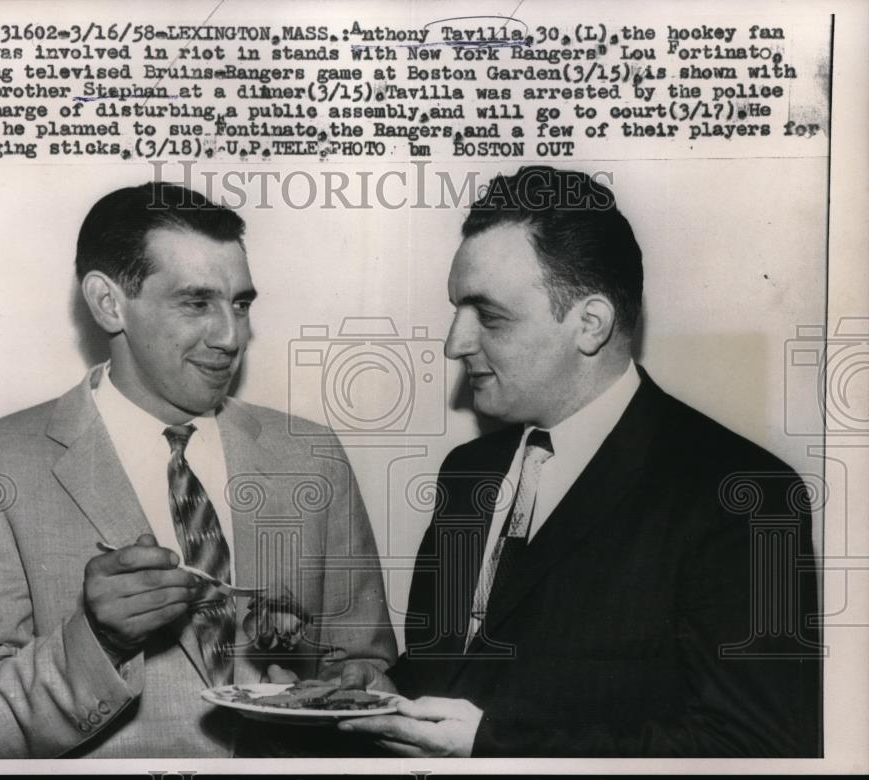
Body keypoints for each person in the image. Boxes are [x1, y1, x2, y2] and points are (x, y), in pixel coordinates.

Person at [342, 166, 821, 757]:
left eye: (488, 315)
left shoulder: (743, 493)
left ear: (589, 325)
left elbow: (760, 748)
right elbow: (458, 674)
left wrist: (495, 748)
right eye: (457, 310)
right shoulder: (468, 474)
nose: (454, 343)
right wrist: (385, 690)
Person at [0, 182, 396, 759]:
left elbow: (363, 663)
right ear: (108, 303)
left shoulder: (313, 455)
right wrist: (98, 641)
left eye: (240, 304)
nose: (231, 336)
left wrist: (349, 690)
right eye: (196, 303)